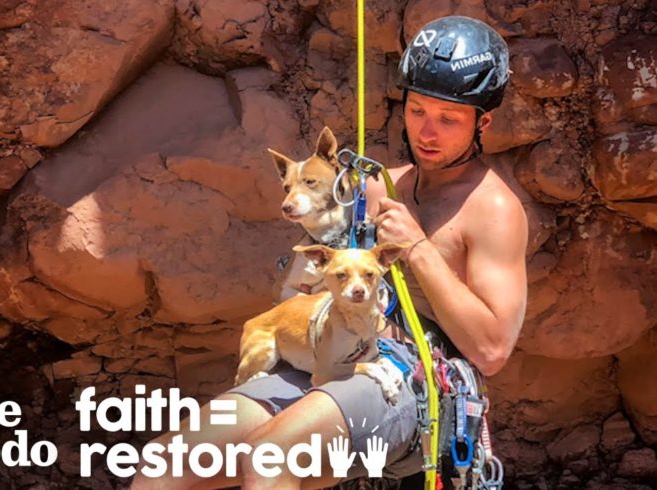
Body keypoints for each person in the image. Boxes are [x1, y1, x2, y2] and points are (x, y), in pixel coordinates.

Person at [131, 15, 527, 490]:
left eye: (448, 119)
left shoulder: (493, 208)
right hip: (335, 347)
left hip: (414, 377)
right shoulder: (379, 186)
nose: (427, 131)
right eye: (418, 110)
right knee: (165, 461)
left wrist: (418, 246)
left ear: (482, 121)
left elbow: (491, 349)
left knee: (272, 456)